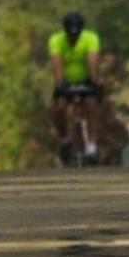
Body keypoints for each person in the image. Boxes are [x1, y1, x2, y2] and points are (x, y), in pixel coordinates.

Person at [48, 11, 102, 160]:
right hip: (66, 81)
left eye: (76, 34)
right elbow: (57, 63)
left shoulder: (91, 38)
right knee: (58, 109)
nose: (73, 38)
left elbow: (92, 61)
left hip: (86, 80)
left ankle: (91, 144)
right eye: (70, 35)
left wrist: (94, 81)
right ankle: (65, 139)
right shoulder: (56, 40)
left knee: (91, 105)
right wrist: (60, 83)